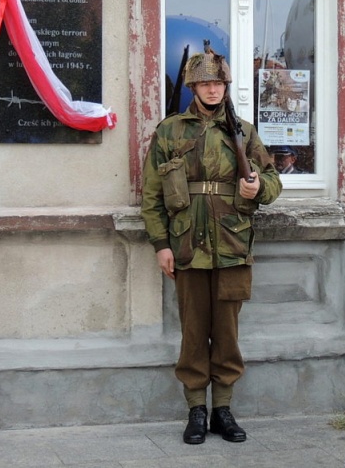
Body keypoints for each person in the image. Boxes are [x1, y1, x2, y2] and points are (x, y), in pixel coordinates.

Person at [141, 46, 282, 445]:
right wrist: (160, 244)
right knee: (192, 332)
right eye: (205, 82)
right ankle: (196, 410)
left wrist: (257, 186)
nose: (213, 89)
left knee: (227, 333)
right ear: (193, 86)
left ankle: (223, 407)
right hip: (186, 246)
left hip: (232, 245)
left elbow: (273, 182)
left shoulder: (244, 132)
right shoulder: (170, 131)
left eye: (218, 82)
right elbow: (151, 195)